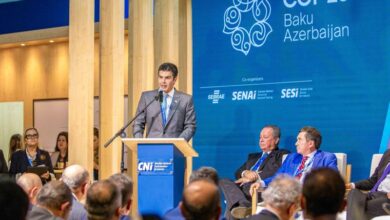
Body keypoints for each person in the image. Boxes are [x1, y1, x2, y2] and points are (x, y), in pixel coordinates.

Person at [219, 125, 289, 219]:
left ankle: (241, 206)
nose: (261, 140)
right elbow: (238, 172)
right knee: (223, 181)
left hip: (258, 189)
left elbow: (277, 173)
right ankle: (243, 204)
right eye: (260, 137)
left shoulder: (281, 155)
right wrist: (245, 173)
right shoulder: (253, 157)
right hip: (242, 190)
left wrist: (254, 177)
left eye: (265, 137)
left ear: (276, 140)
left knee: (232, 204)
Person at [252, 126, 338, 188]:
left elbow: (333, 181)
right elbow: (278, 177)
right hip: (289, 197)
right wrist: (261, 183)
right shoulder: (291, 158)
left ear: (310, 144)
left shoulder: (327, 158)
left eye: (299, 140)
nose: (296, 143)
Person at [132, 62, 196, 141]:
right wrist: (139, 142)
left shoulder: (185, 100)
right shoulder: (147, 97)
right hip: (151, 148)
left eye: (167, 78)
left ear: (174, 79)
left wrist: (178, 143)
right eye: (161, 77)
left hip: (175, 149)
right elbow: (138, 123)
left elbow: (190, 126)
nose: (163, 81)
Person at [346, 149, 390, 219]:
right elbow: (373, 180)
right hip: (373, 194)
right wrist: (352, 185)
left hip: (387, 198)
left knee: (360, 207)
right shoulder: (388, 153)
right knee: (353, 193)